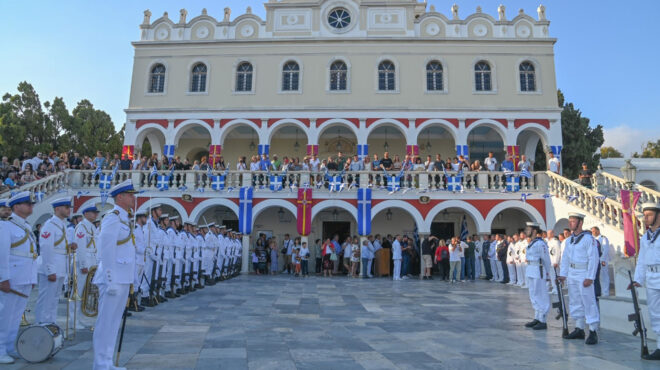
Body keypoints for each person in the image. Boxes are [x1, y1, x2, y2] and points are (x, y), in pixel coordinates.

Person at [92, 179, 138, 370]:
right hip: (113, 279)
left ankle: (107, 362)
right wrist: (110, 280)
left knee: (113, 323)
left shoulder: (124, 218)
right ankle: (100, 363)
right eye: (130, 195)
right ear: (120, 197)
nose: (133, 198)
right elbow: (106, 250)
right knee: (105, 323)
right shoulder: (112, 218)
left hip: (123, 278)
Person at [0, 192, 38, 364]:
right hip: (12, 278)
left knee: (15, 316)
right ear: (16, 207)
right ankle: (0, 350)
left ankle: (9, 346)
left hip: (23, 277)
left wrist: (31, 278)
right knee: (5, 315)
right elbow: (3, 254)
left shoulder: (24, 225)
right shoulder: (5, 226)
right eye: (27, 204)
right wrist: (3, 278)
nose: (31, 206)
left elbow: (30, 254)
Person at [558, 212, 600, 345]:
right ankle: (579, 328)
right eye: (569, 220)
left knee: (588, 301)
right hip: (572, 272)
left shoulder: (588, 239)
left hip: (583, 273)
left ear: (580, 223)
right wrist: (563, 274)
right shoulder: (569, 240)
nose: (570, 223)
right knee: (575, 300)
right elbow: (565, 258)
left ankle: (593, 331)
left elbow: (594, 258)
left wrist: (590, 277)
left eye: (573, 221)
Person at [36, 197, 76, 325]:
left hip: (60, 266)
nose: (69, 210)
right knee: (46, 299)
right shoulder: (50, 225)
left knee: (53, 299)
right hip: (52, 267)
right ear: (57, 209)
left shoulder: (61, 224)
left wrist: (70, 246)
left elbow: (59, 247)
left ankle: (50, 323)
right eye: (66, 207)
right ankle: (42, 323)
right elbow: (46, 248)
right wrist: (50, 270)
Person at [630, 202, 660, 360]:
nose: (645, 219)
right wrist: (637, 280)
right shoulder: (645, 238)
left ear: (658, 215)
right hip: (652, 279)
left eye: (649, 215)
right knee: (655, 314)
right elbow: (641, 260)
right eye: (644, 215)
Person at [523, 222, 555, 331]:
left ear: (535, 231)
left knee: (541, 295)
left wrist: (548, 273)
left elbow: (546, 259)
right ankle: (537, 317)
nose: (527, 231)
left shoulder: (540, 243)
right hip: (531, 270)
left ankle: (543, 320)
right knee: (533, 294)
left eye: (529, 229)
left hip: (538, 270)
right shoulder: (531, 243)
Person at [71, 205, 100, 326]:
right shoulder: (82, 227)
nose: (95, 215)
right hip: (84, 262)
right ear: (86, 213)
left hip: (91, 262)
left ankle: (80, 316)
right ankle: (73, 319)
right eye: (93, 213)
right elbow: (80, 247)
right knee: (78, 291)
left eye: (96, 213)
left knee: (85, 292)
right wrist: (83, 264)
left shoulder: (92, 227)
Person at [591, 227, 611, 297]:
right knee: (598, 277)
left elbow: (605, 250)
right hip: (596, 260)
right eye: (592, 231)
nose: (593, 232)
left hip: (603, 260)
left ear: (598, 231)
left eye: (594, 231)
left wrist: (602, 260)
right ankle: (601, 291)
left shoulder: (603, 238)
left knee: (604, 276)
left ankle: (606, 292)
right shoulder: (593, 239)